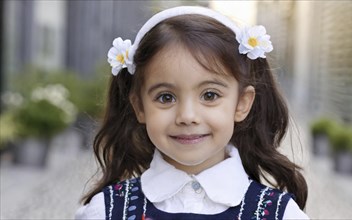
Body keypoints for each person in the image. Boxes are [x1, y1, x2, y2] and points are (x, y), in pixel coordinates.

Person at [75, 6, 308, 220]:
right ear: (139, 107)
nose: (187, 116)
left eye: (209, 95)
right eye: (166, 97)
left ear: (242, 104)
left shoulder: (282, 215)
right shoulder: (104, 212)